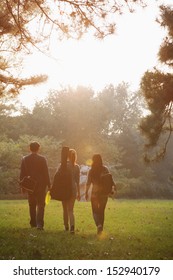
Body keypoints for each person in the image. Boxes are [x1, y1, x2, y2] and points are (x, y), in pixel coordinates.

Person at [20, 141, 51, 230]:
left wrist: (22, 186)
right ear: (38, 149)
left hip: (30, 185)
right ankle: (39, 224)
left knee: (32, 204)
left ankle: (33, 223)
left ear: (30, 148)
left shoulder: (25, 159)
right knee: (41, 205)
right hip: (41, 185)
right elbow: (46, 173)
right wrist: (49, 185)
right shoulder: (42, 159)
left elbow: (22, 173)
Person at [85, 154, 116, 235]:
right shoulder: (105, 169)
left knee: (95, 211)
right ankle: (101, 228)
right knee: (101, 211)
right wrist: (112, 188)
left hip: (95, 193)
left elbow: (88, 183)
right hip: (104, 193)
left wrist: (86, 192)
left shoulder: (91, 170)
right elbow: (110, 179)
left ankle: (98, 225)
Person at [61, 148, 80, 234]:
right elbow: (77, 181)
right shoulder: (77, 167)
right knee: (71, 210)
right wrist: (79, 193)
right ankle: (72, 226)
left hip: (64, 189)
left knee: (65, 209)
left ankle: (66, 226)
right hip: (73, 190)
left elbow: (58, 177)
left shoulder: (63, 165)